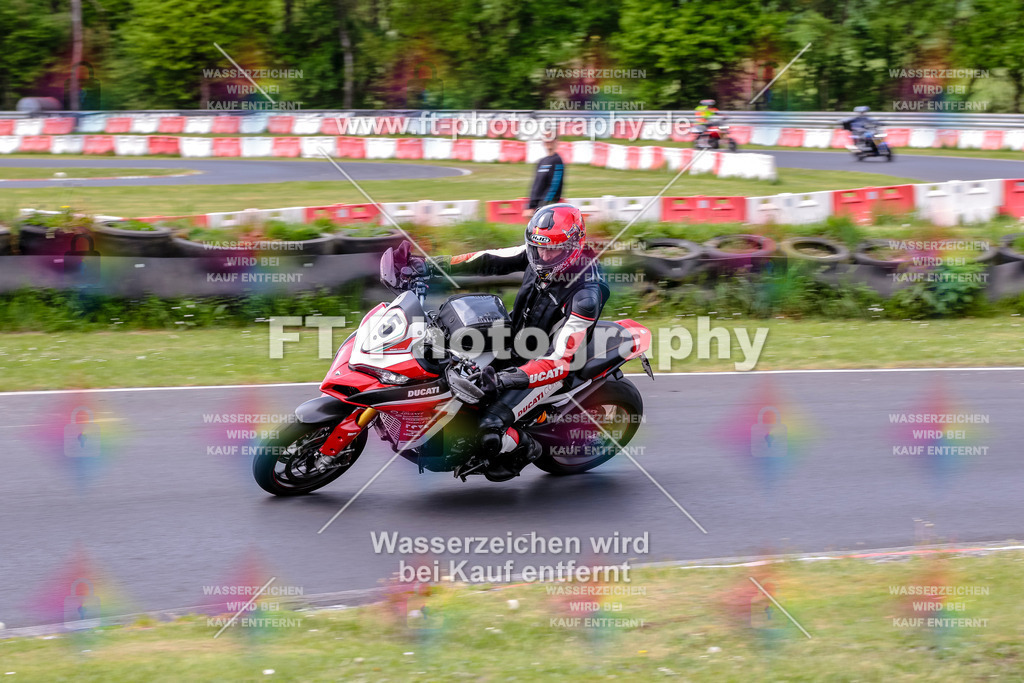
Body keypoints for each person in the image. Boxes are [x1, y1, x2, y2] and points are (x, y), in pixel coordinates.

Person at [430, 203, 609, 481]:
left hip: (548, 369)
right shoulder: (537, 252)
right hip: (518, 339)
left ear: (573, 246)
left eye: (553, 250)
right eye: (538, 248)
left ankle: (526, 448)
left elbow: (559, 362)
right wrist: (431, 266)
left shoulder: (585, 295)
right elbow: (487, 258)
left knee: (487, 426)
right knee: (445, 352)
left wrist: (504, 380)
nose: (543, 256)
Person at [524, 137, 565, 219]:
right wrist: (530, 206)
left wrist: (543, 205)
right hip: (537, 208)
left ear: (556, 141)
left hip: (548, 207)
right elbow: (535, 186)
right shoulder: (541, 161)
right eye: (546, 139)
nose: (548, 141)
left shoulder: (557, 160)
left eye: (551, 139)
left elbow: (554, 186)